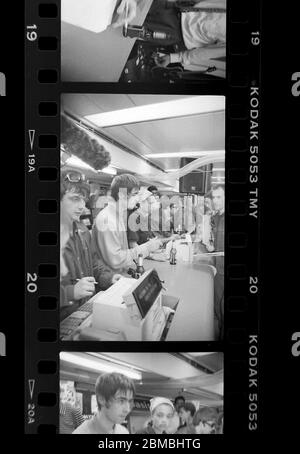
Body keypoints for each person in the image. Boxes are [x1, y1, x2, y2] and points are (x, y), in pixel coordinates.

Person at [60, 171, 122, 320]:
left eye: (83, 200)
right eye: (75, 199)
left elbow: (94, 264)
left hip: (87, 309)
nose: (82, 206)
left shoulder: (82, 231)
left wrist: (109, 277)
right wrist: (71, 292)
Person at [92, 174, 170, 274]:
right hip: (110, 282)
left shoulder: (117, 216)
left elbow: (122, 252)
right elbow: (116, 260)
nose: (137, 199)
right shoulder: (107, 220)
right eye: (134, 194)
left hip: (118, 276)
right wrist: (147, 247)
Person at [210, 185, 224, 340]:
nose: (215, 200)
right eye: (214, 197)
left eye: (219, 197)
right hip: (217, 268)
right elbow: (216, 245)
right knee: (217, 306)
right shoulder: (216, 217)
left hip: (224, 270)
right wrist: (210, 247)